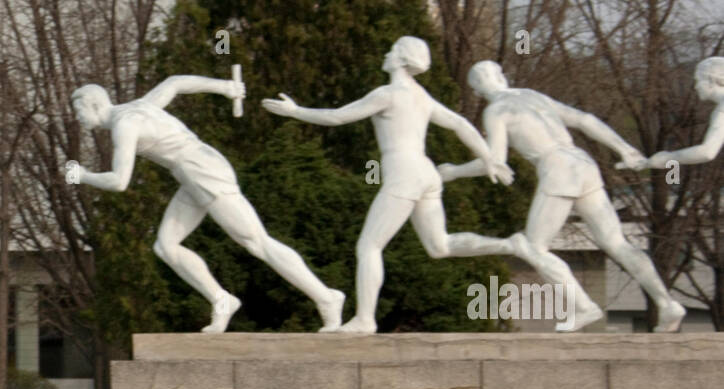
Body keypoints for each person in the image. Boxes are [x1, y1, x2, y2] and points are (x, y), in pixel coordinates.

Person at [262, 36, 516, 334]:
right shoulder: (421, 96)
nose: (386, 53)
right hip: (427, 173)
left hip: (404, 173)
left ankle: (365, 319)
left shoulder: (388, 93)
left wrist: (295, 112)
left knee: (369, 246)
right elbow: (460, 123)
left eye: (392, 49)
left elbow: (338, 117)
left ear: (400, 58)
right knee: (440, 246)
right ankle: (509, 244)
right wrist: (488, 158)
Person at [68, 78, 346, 333]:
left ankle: (326, 298)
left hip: (202, 170)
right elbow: (175, 83)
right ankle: (222, 300)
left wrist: (83, 175)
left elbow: (119, 182)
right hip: (190, 175)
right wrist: (225, 86)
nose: (78, 118)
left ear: (94, 104)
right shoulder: (138, 107)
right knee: (166, 246)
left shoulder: (125, 125)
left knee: (257, 242)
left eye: (79, 110)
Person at [440, 60, 685, 333]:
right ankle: (667, 303)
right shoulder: (532, 96)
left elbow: (496, 161)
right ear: (502, 77)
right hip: (582, 161)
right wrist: (624, 148)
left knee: (534, 247)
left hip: (557, 168)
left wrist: (453, 172)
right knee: (616, 243)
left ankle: (583, 307)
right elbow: (585, 120)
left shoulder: (496, 110)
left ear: (476, 88)